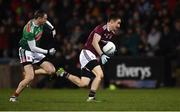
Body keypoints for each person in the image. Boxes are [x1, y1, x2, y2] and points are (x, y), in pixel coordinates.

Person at [57, 14, 121, 102]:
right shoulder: (101, 28)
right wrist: (102, 54)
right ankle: (91, 98)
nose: (119, 26)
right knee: (100, 74)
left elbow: (102, 45)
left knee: (83, 83)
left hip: (91, 56)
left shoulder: (111, 33)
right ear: (112, 22)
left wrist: (109, 52)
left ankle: (62, 73)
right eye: (118, 23)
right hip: (87, 53)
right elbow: (95, 42)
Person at [9, 10, 57, 102]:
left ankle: (30, 72)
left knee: (52, 71)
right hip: (26, 51)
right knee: (30, 77)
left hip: (34, 50)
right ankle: (13, 97)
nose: (46, 20)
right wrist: (47, 51)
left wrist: (53, 28)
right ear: (39, 19)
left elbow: (46, 22)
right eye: (45, 19)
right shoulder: (29, 30)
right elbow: (33, 48)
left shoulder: (39, 22)